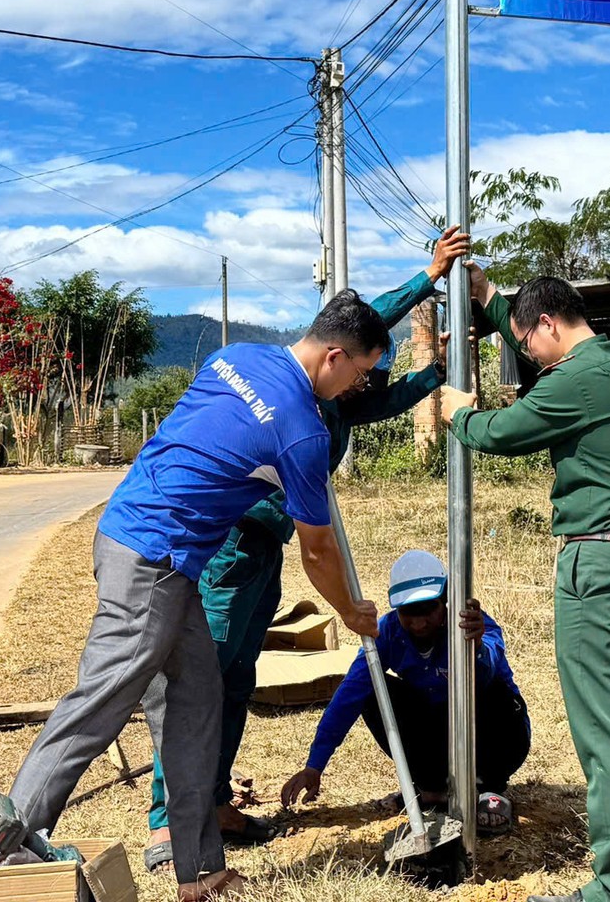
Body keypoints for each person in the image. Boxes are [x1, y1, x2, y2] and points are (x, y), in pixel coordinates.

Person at [0, 291, 391, 902]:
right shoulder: (302, 430)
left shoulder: (239, 357)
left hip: (144, 545)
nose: (356, 389)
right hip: (153, 559)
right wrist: (350, 611)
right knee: (105, 694)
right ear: (334, 356)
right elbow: (317, 552)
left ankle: (196, 869)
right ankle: (13, 833)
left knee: (196, 699)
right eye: (359, 374)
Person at [138, 228, 475, 872]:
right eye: (360, 367)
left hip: (266, 553)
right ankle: (165, 824)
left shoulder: (344, 407)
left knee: (237, 679)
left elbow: (395, 386)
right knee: (197, 680)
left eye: (370, 373)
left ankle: (211, 801)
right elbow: (361, 320)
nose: (365, 378)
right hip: (230, 546)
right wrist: (428, 277)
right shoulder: (298, 387)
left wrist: (442, 373)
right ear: (335, 360)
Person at [438, 272, 610, 902]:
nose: (530, 359)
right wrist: (489, 299)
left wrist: (459, 414)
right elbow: (536, 337)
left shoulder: (575, 380)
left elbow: (500, 434)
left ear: (547, 326)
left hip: (600, 572)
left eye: (527, 343)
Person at [279, 550, 532, 834]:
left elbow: (489, 668)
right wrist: (315, 765)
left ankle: (488, 786)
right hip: (438, 734)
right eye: (408, 614)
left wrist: (475, 650)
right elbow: (347, 697)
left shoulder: (473, 625)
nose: (419, 623)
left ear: (445, 601)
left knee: (493, 688)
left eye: (428, 611)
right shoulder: (387, 633)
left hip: (493, 737)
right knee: (373, 687)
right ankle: (432, 789)